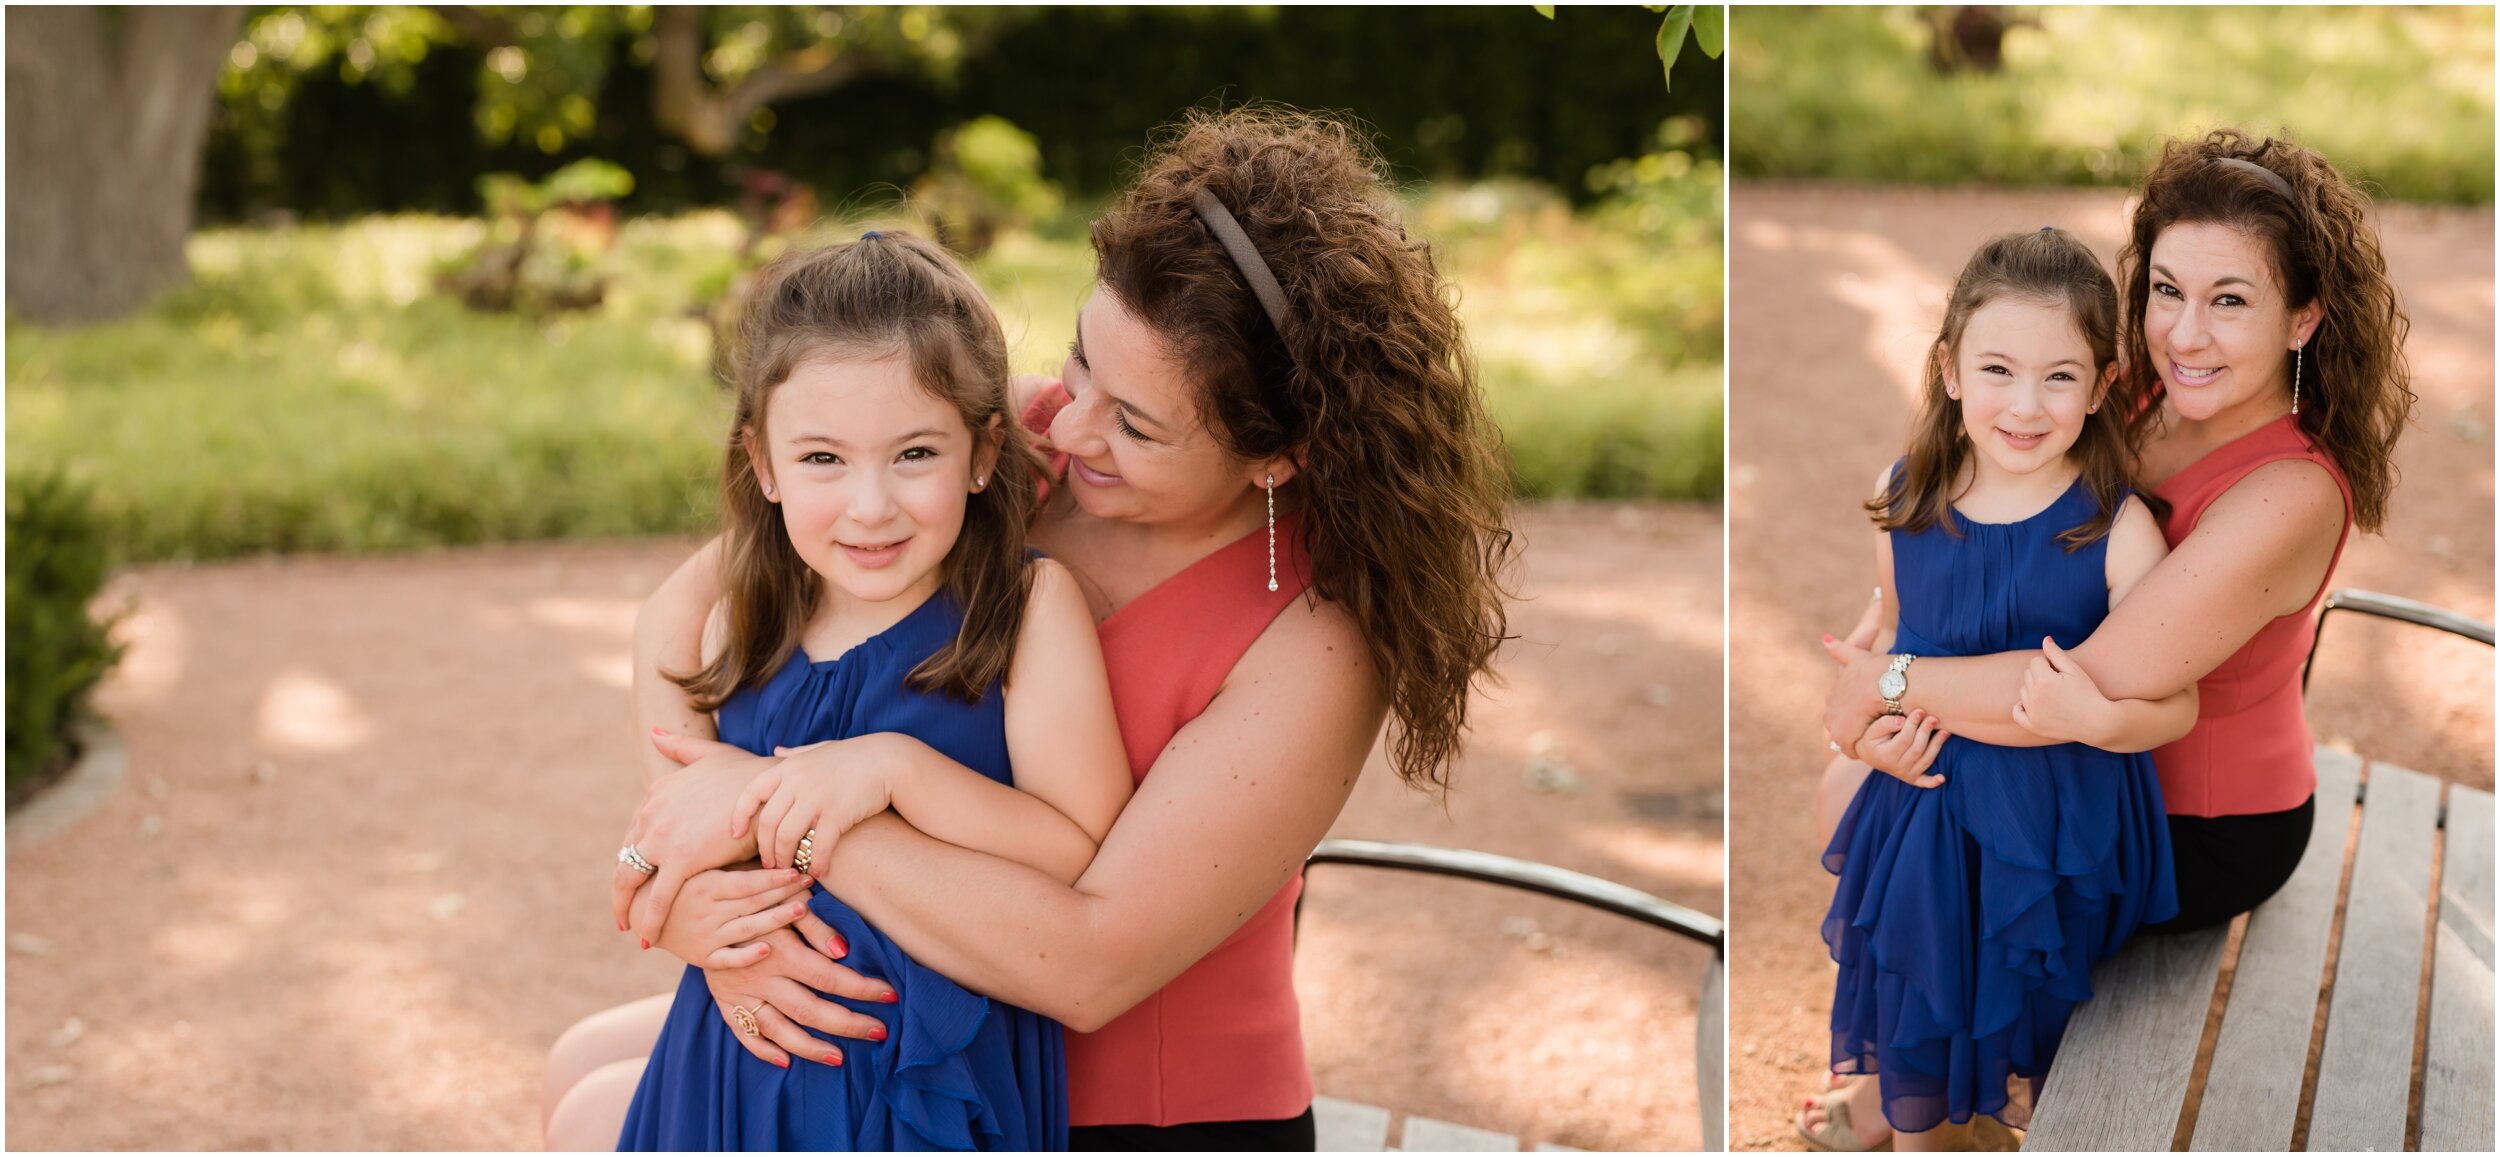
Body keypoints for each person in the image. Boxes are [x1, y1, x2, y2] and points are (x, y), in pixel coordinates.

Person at [546, 105, 1517, 1151]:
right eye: (1082, 359)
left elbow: (1088, 964)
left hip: (1124, 1104)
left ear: (1272, 456)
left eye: (1135, 424)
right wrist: (705, 888)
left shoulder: (1318, 644)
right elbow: (681, 610)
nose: (1070, 419)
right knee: (581, 1066)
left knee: (603, 1109)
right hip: (911, 996)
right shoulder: (982, 440)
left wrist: (772, 811)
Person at [1802, 130, 2413, 1150]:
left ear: (2303, 317)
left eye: (2230, 300)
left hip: (2193, 814)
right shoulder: (2125, 393)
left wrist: (1885, 681)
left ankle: (1948, 1100)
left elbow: (2080, 679)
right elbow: (1977, 508)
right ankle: (1932, 1072)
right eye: (2165, 289)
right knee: (1872, 794)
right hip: (2067, 748)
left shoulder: (2289, 491)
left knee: (1933, 825)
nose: (2183, 332)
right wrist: (1879, 657)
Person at [595, 230, 1133, 1150]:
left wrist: (896, 769)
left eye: (915, 453)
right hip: (738, 1068)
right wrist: (696, 917)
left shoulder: (1024, 606)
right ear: (762, 464)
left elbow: (1078, 843)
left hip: (934, 1086)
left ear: (981, 451)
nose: (871, 505)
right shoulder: (748, 611)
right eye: (822, 461)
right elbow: (680, 811)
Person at [1805, 227, 2185, 1149]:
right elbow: (1896, 642)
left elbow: (2176, 702)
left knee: (2021, 1005)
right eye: (1998, 369)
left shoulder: (2118, 530)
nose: (2025, 403)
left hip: (2056, 811)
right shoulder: (1907, 496)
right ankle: (1920, 1111)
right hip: (1928, 783)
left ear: (2100, 388)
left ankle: (2000, 1111)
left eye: (2060, 376)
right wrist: (1867, 736)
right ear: (1948, 370)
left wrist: (2102, 715)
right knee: (1910, 942)